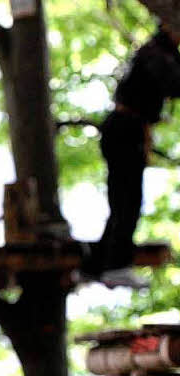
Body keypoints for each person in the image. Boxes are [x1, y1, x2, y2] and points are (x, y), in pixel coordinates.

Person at [82, 23, 180, 289]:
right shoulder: (157, 54)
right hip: (126, 130)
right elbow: (175, 84)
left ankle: (94, 267)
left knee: (120, 203)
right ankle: (116, 266)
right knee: (128, 202)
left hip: (122, 128)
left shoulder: (157, 51)